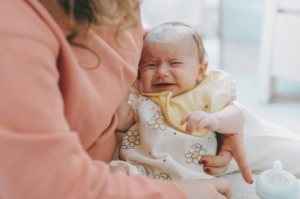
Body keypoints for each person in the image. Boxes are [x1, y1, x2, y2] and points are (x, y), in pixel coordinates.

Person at [0, 0, 239, 198]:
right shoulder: (15, 32)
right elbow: (44, 184)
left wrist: (225, 125)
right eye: (153, 65)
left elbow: (146, 38)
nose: (162, 71)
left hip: (197, 142)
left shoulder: (118, 7)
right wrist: (177, 192)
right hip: (111, 172)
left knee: (273, 146)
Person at [114, 22, 251, 182]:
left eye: (174, 63)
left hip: (194, 176)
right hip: (141, 172)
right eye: (151, 65)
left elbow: (237, 117)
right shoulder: (140, 96)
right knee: (117, 174)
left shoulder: (206, 91)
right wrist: (123, 87)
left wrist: (216, 120)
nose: (162, 72)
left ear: (200, 71)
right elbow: (122, 123)